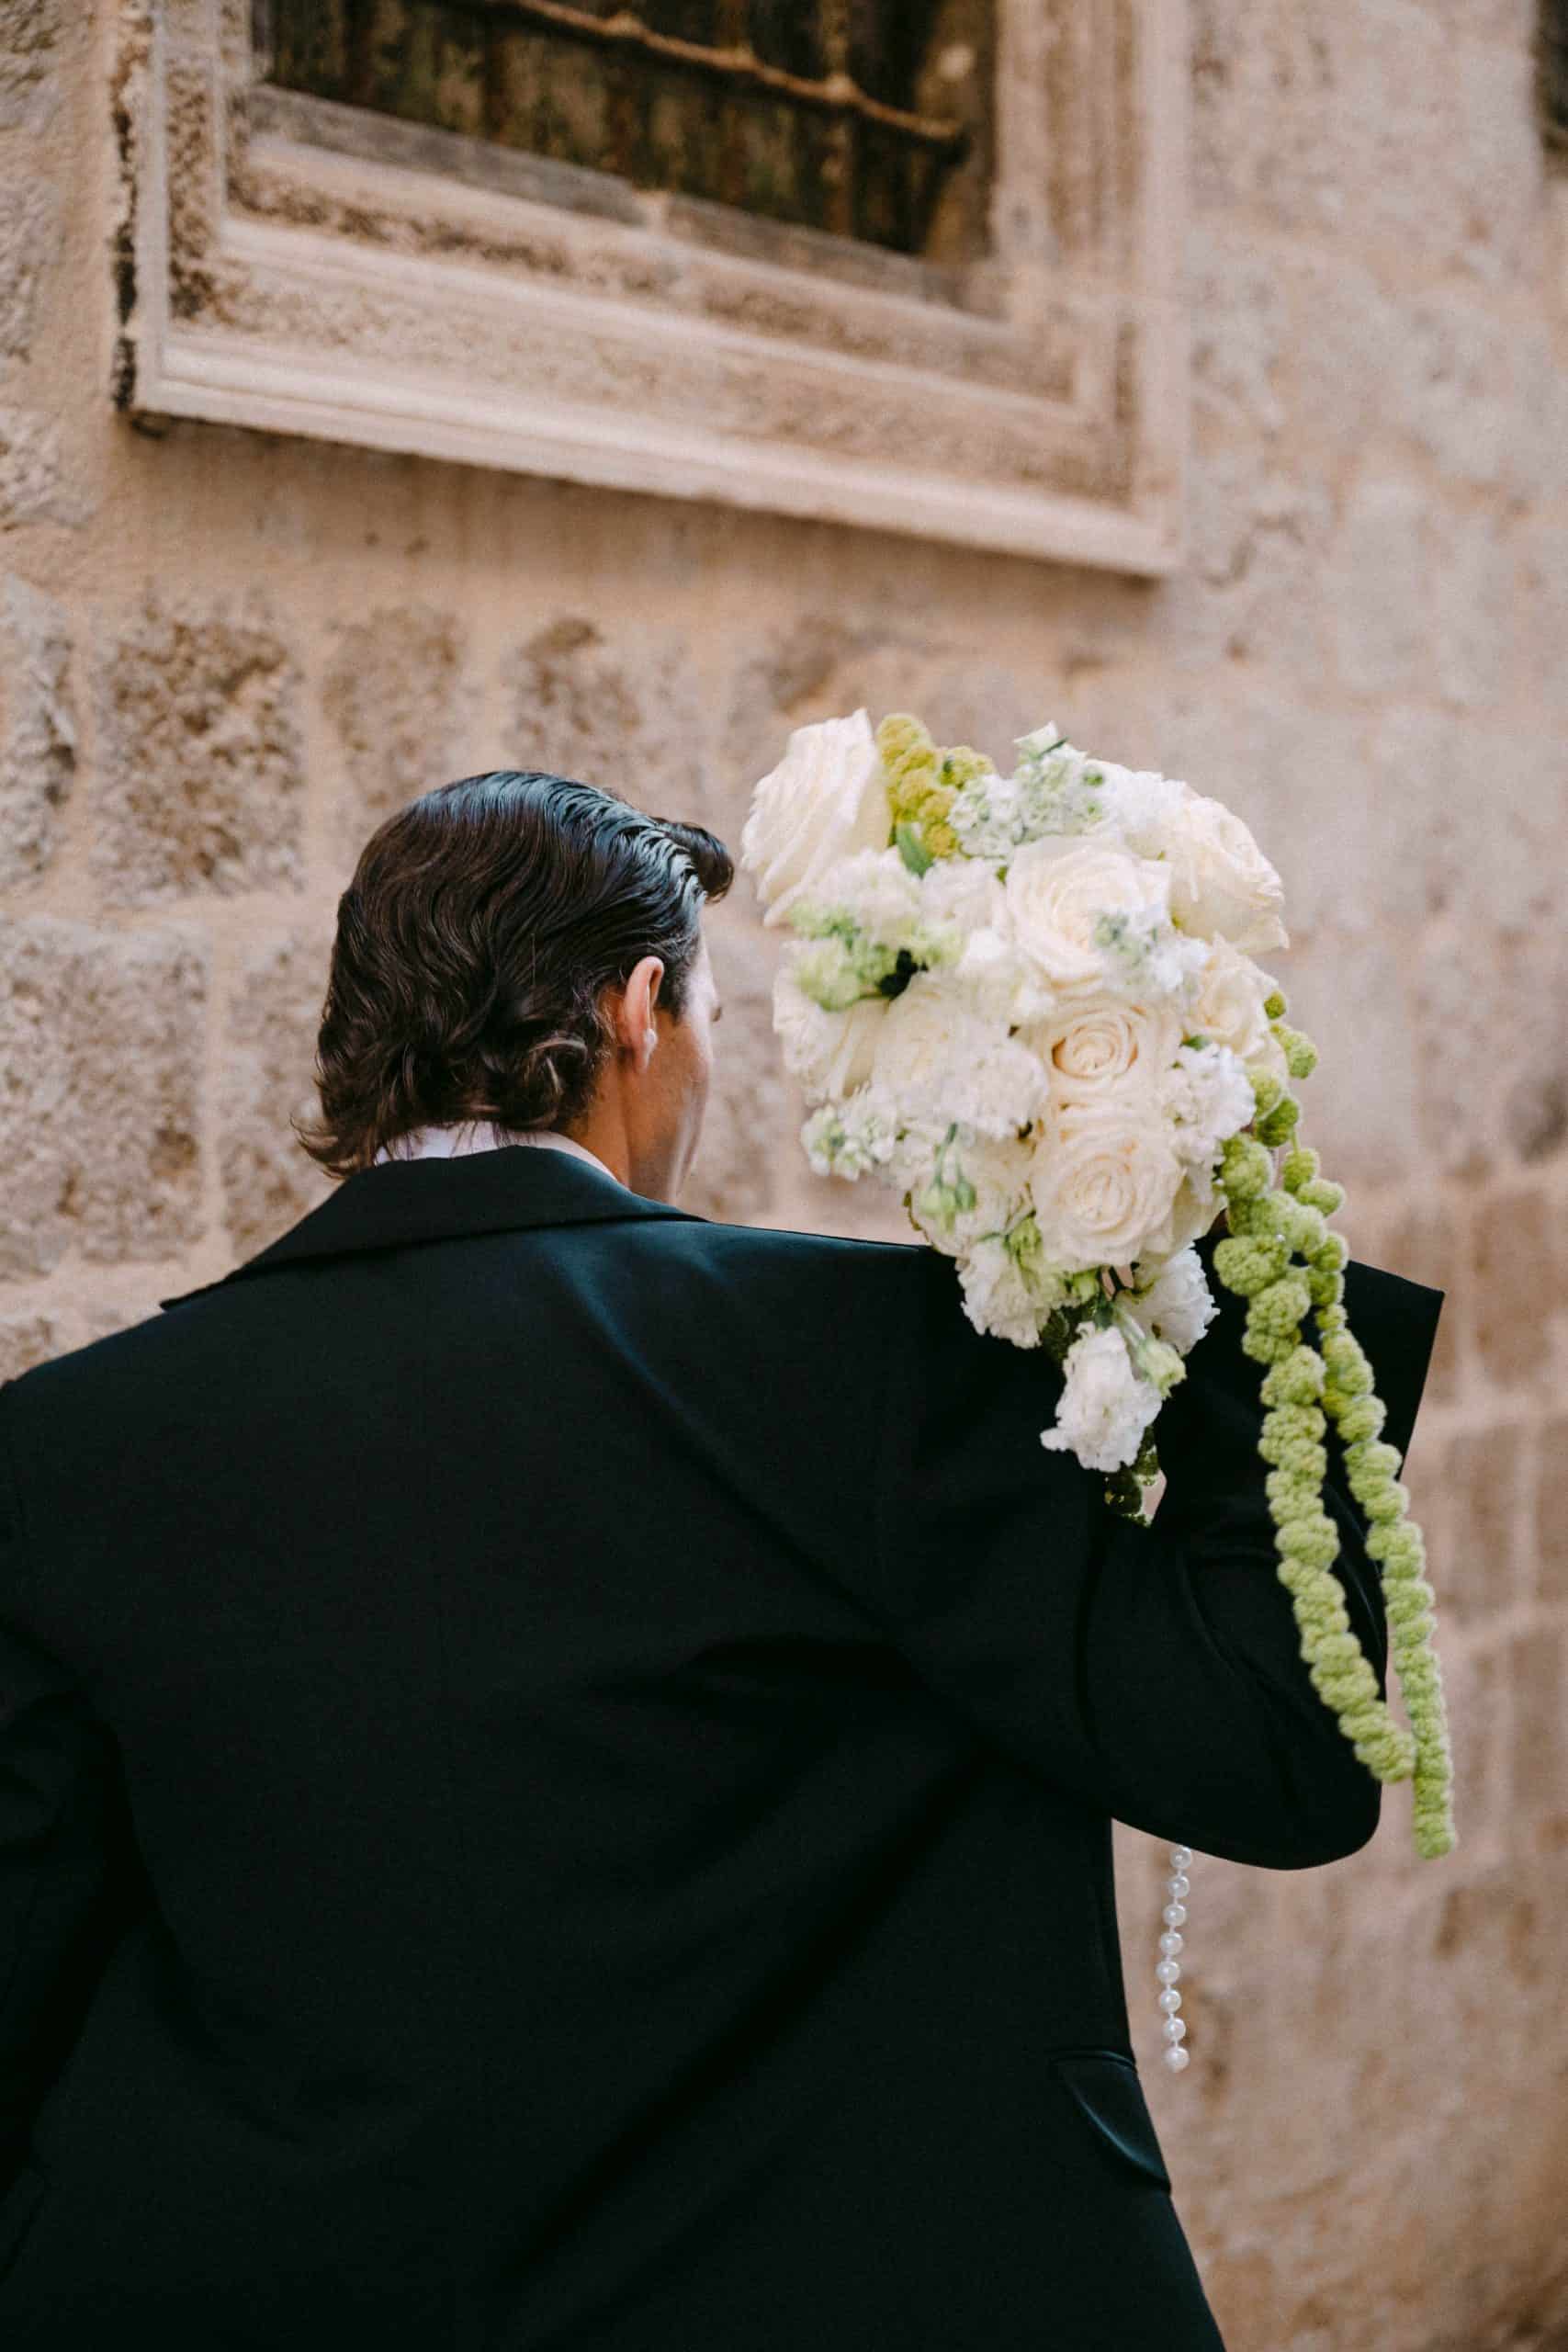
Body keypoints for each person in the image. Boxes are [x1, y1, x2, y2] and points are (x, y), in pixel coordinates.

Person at [0, 769, 1442, 2346]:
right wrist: (1234, 1233)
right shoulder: (864, 1363)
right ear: (636, 1013)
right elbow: (1270, 1761)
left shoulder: (61, 1451)